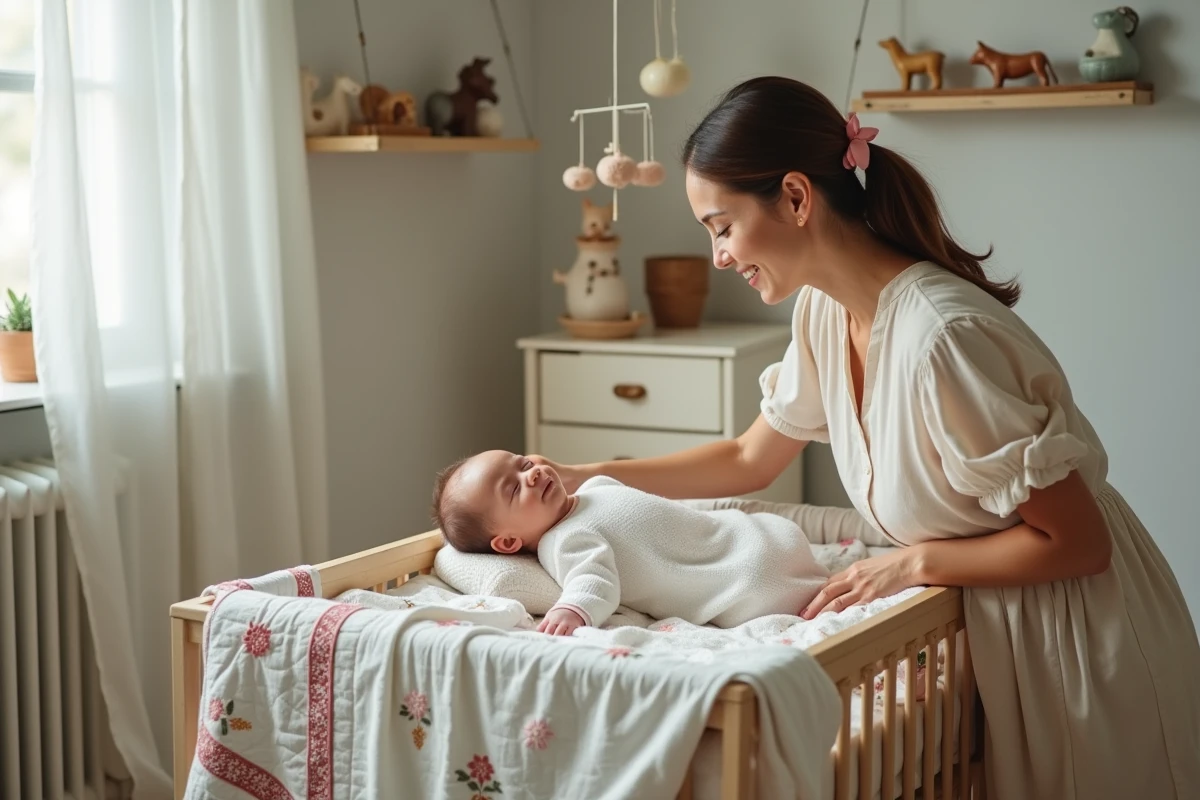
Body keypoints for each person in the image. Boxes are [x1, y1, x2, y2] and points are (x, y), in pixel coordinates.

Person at [527, 77, 1200, 799]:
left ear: (794, 196)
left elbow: (1078, 542)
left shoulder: (944, 340)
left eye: (722, 226)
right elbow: (749, 458)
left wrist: (912, 564)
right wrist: (585, 473)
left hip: (1077, 633)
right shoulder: (824, 313)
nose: (719, 256)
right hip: (999, 627)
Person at [430, 449, 830, 634]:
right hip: (749, 582)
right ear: (508, 544)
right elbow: (595, 584)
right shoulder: (565, 542)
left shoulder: (594, 488)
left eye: (524, 463)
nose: (532, 474)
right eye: (514, 489)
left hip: (744, 536)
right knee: (757, 576)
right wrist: (572, 611)